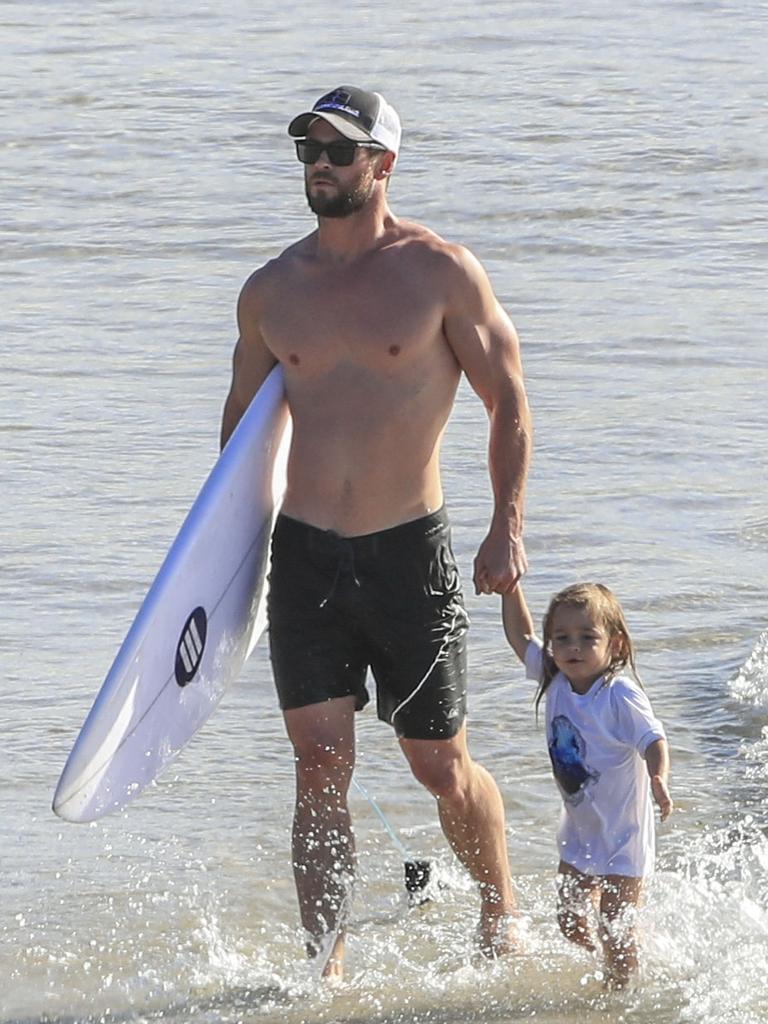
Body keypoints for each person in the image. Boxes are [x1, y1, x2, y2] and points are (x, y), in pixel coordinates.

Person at [220, 85, 532, 980]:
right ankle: (326, 962)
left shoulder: (440, 273)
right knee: (319, 765)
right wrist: (223, 570)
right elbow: (241, 431)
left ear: (383, 165)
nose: (320, 163)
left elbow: (507, 401)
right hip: (305, 555)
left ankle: (498, 903)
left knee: (439, 765)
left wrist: (505, 528)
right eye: (308, 150)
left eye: (339, 150)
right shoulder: (271, 291)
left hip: (409, 552)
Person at [501, 582, 673, 988]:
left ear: (614, 645)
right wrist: (511, 588)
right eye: (561, 638)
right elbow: (517, 636)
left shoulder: (619, 695)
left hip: (624, 836)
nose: (572, 647)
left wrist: (659, 777)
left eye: (586, 638)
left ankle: (621, 994)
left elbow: (654, 739)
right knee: (569, 919)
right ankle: (623, 959)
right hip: (580, 833)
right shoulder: (555, 677)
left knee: (614, 925)